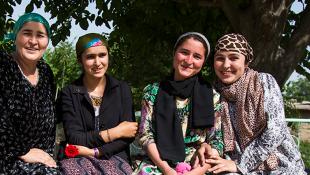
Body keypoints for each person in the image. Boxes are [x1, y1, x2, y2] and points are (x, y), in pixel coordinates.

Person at [0, 13, 61, 174]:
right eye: (27, 33)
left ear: (47, 41)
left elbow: (49, 123)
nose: (33, 41)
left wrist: (46, 155)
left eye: (40, 35)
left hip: (30, 156)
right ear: (16, 37)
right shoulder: (0, 62)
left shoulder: (46, 72)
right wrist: (23, 152)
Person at [201, 33, 306, 174]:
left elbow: (276, 131)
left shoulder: (263, 82)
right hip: (232, 164)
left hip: (279, 165)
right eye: (220, 58)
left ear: (246, 62)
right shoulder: (213, 92)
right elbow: (214, 135)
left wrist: (241, 165)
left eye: (233, 58)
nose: (226, 65)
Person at [133, 32, 223, 175]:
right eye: (184, 52)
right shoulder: (152, 92)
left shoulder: (211, 95)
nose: (189, 60)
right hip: (158, 161)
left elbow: (217, 141)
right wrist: (167, 170)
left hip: (199, 164)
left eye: (197, 56)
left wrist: (197, 172)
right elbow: (145, 135)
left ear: (203, 62)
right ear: (174, 53)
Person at [58, 33, 138, 175]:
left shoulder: (122, 89)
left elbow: (129, 134)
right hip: (77, 157)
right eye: (90, 57)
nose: (97, 62)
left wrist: (96, 152)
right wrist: (115, 132)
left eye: (102, 55)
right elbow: (74, 137)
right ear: (79, 60)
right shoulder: (69, 93)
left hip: (115, 156)